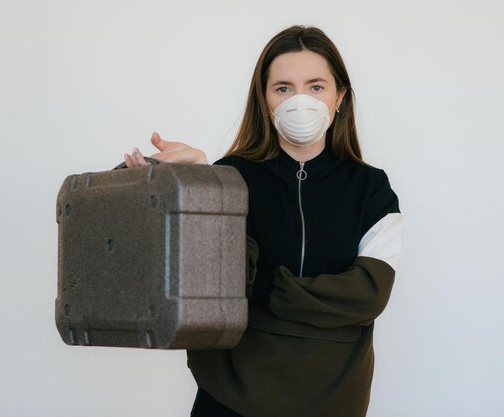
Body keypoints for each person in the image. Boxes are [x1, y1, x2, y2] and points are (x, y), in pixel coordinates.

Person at [124, 25, 403, 417]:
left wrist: (265, 287)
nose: (299, 101)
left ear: (339, 97)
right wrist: (203, 181)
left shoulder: (371, 188)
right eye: (283, 88)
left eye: (316, 86)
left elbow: (369, 294)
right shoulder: (230, 177)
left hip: (335, 402)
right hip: (229, 400)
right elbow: (221, 280)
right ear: (265, 98)